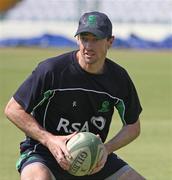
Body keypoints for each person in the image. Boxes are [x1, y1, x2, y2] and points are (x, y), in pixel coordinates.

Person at [4, 11, 145, 180]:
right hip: (44, 153)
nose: (88, 46)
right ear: (78, 39)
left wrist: (105, 149)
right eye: (84, 38)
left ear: (110, 41)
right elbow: (13, 109)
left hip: (91, 157)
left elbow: (133, 126)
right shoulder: (52, 70)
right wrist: (50, 140)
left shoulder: (118, 78)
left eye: (96, 39)